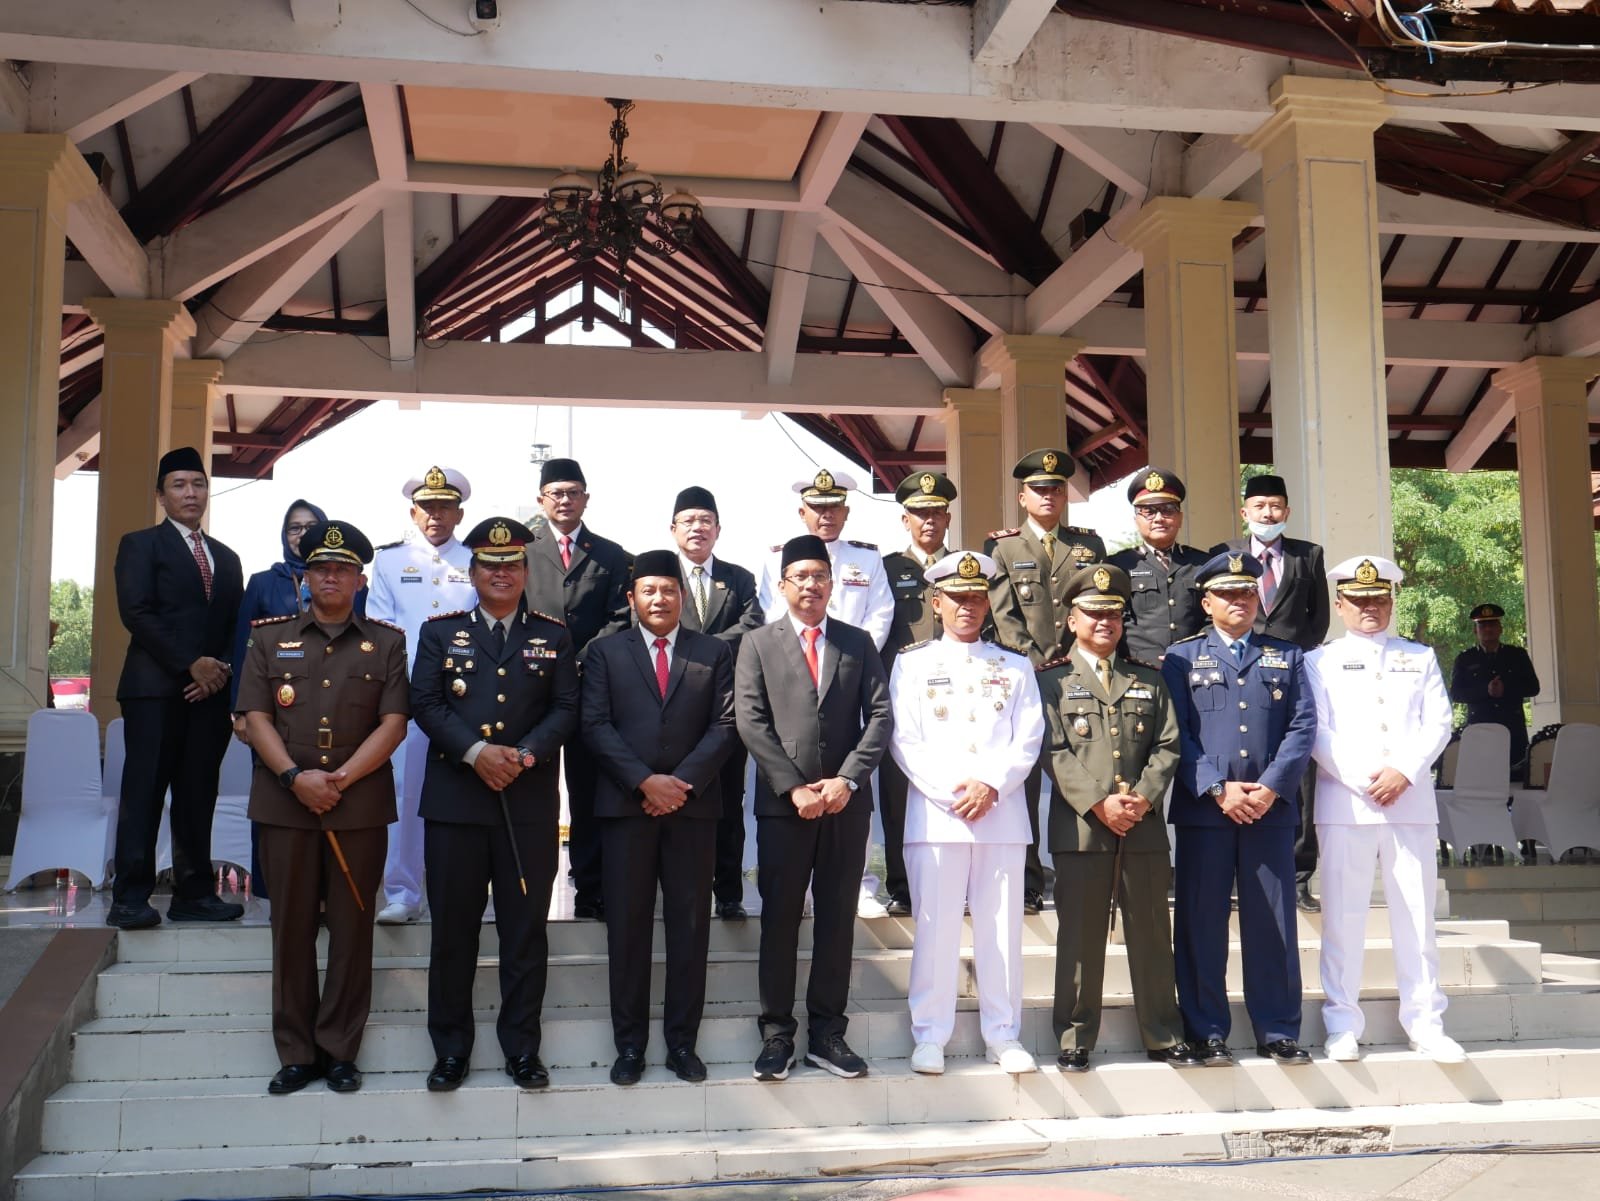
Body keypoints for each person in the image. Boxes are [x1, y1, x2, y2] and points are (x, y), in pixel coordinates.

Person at [237, 519, 408, 1095]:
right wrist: (293, 776)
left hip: (356, 808)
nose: (330, 576)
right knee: (289, 930)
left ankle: (339, 1050)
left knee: (353, 928)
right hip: (285, 807)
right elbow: (254, 716)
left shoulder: (387, 642)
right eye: (320, 568)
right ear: (304, 578)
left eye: (342, 569)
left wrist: (337, 779)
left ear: (360, 579)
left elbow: (394, 723)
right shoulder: (268, 637)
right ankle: (296, 1052)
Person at [411, 517, 578, 1094]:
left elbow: (566, 709)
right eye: (489, 564)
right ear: (472, 571)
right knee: (452, 932)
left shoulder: (554, 636)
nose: (500, 573)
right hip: (457, 804)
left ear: (526, 572)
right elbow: (425, 703)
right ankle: (451, 1050)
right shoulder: (440, 633)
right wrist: (477, 751)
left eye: (511, 565)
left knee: (525, 932)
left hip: (527, 804)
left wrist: (523, 756)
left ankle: (522, 1050)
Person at [737, 534, 892, 1082]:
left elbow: (879, 718)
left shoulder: (857, 642)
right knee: (780, 920)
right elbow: (750, 721)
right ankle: (777, 1034)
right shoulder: (757, 642)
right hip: (786, 808)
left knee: (835, 922)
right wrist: (792, 787)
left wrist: (846, 781)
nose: (810, 585)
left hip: (845, 806)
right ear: (782, 585)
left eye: (819, 576)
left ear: (832, 583)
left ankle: (829, 1033)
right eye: (799, 577)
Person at [1036, 563, 1200, 1072]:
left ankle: (1163, 1033)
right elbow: (1053, 750)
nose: (1105, 621)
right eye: (1093, 612)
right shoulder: (1052, 683)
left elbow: (1169, 744)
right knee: (1080, 937)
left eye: (1114, 613)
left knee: (1152, 931)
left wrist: (1144, 798)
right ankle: (1075, 1037)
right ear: (1071, 618)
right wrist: (1099, 803)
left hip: (1143, 827)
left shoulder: (1149, 680)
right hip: (1082, 829)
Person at [582, 549, 737, 1086]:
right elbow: (595, 725)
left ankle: (681, 1045)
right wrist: (645, 782)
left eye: (668, 589)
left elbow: (724, 726)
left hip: (692, 812)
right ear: (632, 598)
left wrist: (680, 786)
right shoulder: (605, 652)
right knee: (627, 930)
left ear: (681, 596)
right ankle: (629, 1047)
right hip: (627, 810)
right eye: (649, 590)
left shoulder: (712, 652)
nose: (659, 599)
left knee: (690, 930)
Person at [889, 551, 1043, 1077]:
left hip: (999, 814)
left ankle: (1004, 1034)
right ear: (936, 602)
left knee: (1001, 930)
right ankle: (930, 1034)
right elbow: (904, 740)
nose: (967, 607)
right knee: (935, 929)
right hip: (938, 816)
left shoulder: (1015, 665)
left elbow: (1028, 738)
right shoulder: (911, 664)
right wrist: (952, 794)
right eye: (957, 597)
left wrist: (992, 787)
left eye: (977, 598)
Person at [1306, 555, 1464, 1065]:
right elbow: (1317, 730)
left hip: (1410, 803)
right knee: (1343, 917)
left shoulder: (1419, 657)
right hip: (1346, 805)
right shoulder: (1320, 660)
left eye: (1378, 600)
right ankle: (1342, 1022)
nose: (1369, 608)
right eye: (1358, 601)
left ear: (1392, 601)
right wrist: (1363, 780)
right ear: (1339, 605)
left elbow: (1438, 722)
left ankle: (1426, 1022)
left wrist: (1405, 771)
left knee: (1417, 917)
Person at [1162, 552, 1316, 1067]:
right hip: (1207, 812)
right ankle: (1207, 1029)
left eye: (1247, 593)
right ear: (1206, 603)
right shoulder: (1181, 659)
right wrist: (1216, 788)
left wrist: (1271, 787)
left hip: (1269, 811)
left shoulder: (1287, 656)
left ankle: (1277, 1029)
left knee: (1272, 922)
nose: (1239, 602)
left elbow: (1301, 728)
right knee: (1201, 923)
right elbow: (1176, 734)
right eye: (1227, 594)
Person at [106, 446, 245, 930]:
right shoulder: (140, 545)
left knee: (197, 793)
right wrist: (191, 665)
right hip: (154, 691)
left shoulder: (227, 559)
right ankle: (130, 897)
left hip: (209, 697)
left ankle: (194, 893)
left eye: (199, 483)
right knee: (143, 793)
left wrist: (219, 669)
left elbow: (236, 625)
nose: (191, 493)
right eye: (180, 485)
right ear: (161, 496)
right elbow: (136, 613)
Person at [756, 467, 895, 916]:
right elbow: (770, 617)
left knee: (852, 778)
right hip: (796, 680)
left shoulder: (868, 561)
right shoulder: (777, 559)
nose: (826, 514)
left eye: (834, 507)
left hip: (851, 678)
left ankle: (862, 883)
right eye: (817, 507)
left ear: (846, 511)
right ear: (802, 512)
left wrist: (847, 663)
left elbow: (880, 616)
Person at [986, 448, 1108, 916]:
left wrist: (1074, 662)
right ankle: (1030, 880)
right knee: (1024, 781)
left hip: (1078, 677)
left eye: (1057, 489)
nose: (1049, 495)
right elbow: (1004, 616)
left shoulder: (1088, 546)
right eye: (1039, 489)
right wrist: (1038, 665)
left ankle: (1082, 872)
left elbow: (1096, 607)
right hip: (1027, 676)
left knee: (1084, 773)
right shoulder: (1002, 547)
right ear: (1023, 496)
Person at [228, 498, 363, 901]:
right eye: (293, 528)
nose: (301, 534)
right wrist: (239, 711)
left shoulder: (349, 581)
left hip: (332, 713)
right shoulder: (262, 582)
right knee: (274, 795)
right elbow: (243, 646)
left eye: (310, 526)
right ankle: (272, 888)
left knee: (326, 794)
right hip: (272, 714)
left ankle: (324, 886)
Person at [1214, 474, 1329, 914]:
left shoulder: (1308, 555)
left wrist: (1292, 656)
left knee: (1300, 773)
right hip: (1239, 670)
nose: (1267, 514)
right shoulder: (1226, 554)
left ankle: (1300, 874)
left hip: (1292, 670)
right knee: (1240, 764)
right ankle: (1235, 875)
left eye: (1275, 506)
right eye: (1259, 506)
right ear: (1245, 512)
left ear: (1287, 512)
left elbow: (1317, 619)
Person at [524, 457, 633, 920]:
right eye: (556, 493)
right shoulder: (522, 551)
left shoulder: (611, 555)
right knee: (534, 791)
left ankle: (590, 890)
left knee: (589, 794)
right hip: (534, 691)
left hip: (590, 689)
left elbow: (620, 616)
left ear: (586, 498)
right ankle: (529, 889)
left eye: (573, 492)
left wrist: (580, 658)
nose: (564, 500)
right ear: (541, 500)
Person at [366, 466, 475, 925]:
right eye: (427, 507)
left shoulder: (476, 560)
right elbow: (382, 630)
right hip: (408, 696)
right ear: (413, 511)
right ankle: (402, 891)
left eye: (444, 507)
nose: (436, 515)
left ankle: (467, 892)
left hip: (466, 698)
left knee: (467, 792)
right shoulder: (389, 562)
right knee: (405, 792)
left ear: (459, 512)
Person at [670, 486, 764, 921]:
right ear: (674, 529)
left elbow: (752, 625)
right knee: (674, 795)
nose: (697, 528)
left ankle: (728, 892)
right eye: (689, 521)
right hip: (669, 705)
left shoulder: (739, 578)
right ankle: (672, 888)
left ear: (718, 530)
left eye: (705, 521)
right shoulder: (659, 576)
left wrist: (699, 647)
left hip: (726, 706)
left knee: (727, 798)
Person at [877, 471, 959, 918]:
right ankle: (902, 885)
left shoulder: (966, 567)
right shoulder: (885, 568)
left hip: (956, 701)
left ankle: (956, 881)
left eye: (936, 514)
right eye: (919, 514)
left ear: (947, 518)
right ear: (905, 520)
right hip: (902, 697)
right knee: (897, 790)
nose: (928, 521)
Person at [1107, 469, 1207, 666]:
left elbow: (1215, 616)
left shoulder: (1202, 563)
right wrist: (1150, 657)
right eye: (1149, 512)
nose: (1159, 518)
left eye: (1168, 509)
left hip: (1195, 665)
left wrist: (1193, 650)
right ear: (1136, 520)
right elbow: (1118, 618)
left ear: (1180, 517)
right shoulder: (1119, 565)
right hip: (1141, 668)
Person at [1450, 603, 1540, 768]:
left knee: (1515, 781)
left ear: (1500, 629)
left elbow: (1533, 687)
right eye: (1482, 625)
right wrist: (1486, 690)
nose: (1488, 629)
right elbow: (1456, 693)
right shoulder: (1465, 659)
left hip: (1512, 730)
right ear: (1475, 630)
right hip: (1480, 730)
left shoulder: (1517, 655)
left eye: (1492, 624)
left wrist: (1506, 689)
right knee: (1481, 778)